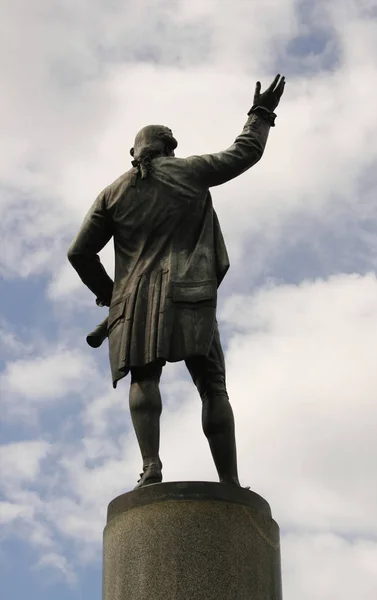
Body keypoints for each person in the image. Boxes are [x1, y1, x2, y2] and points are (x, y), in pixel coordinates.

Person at [68, 75, 286, 489]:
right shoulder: (189, 171)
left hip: (132, 305)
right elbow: (245, 152)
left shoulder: (111, 195)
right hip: (191, 295)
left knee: (143, 380)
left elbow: (78, 253)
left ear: (135, 153)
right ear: (170, 147)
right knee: (212, 386)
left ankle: (150, 465)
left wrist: (111, 295)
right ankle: (230, 482)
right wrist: (261, 112)